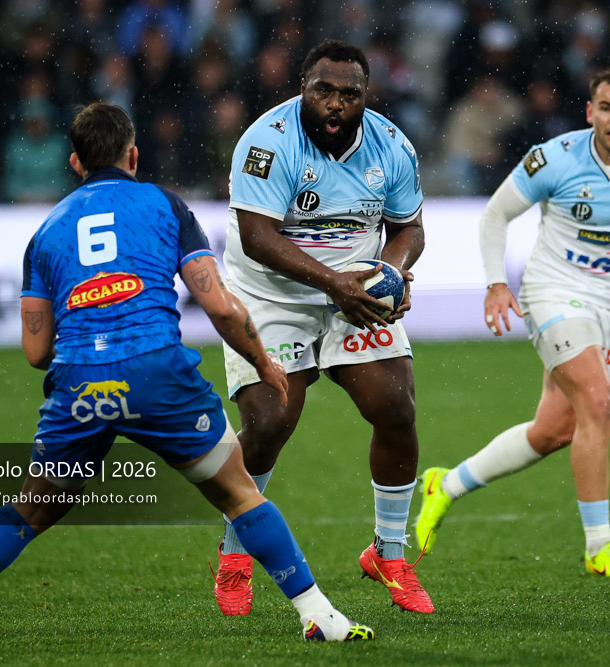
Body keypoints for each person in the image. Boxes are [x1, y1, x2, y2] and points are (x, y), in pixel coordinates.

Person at [0, 103, 374, 650]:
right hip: (156, 374)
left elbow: (35, 351)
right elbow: (218, 306)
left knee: (31, 508)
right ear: (133, 154)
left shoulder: (46, 232)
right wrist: (265, 362)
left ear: (75, 162)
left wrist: (88, 318)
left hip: (80, 384)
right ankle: (320, 617)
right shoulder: (165, 205)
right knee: (241, 495)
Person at [415, 67, 610, 577]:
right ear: (590, 112)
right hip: (552, 293)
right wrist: (495, 283)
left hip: (609, 308)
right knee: (598, 402)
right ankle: (599, 545)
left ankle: (446, 484)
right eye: (606, 109)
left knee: (554, 431)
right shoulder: (555, 158)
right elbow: (495, 215)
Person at [211, 39, 434, 615]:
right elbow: (259, 238)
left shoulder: (392, 146)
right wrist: (337, 283)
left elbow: (410, 228)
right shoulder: (266, 143)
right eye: (324, 91)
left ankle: (388, 551)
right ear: (302, 88)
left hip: (353, 295)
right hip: (270, 297)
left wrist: (394, 272)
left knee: (396, 407)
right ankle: (236, 553)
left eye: (349, 94)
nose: (336, 104)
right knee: (269, 421)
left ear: (367, 96)